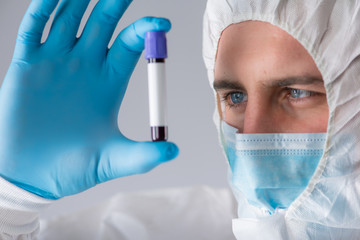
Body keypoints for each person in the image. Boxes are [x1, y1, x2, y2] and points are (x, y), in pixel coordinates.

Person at [0, 0, 359, 239]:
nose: (250, 134)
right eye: (235, 97)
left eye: (297, 92)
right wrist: (13, 200)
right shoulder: (164, 229)